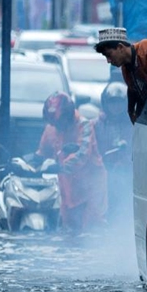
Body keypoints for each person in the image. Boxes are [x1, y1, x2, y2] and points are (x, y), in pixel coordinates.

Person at [35, 92, 107, 233]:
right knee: (67, 232)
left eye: (59, 122)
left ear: (68, 116)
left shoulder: (84, 125)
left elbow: (82, 154)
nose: (57, 126)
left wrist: (60, 166)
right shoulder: (51, 128)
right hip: (67, 188)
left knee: (93, 230)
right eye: (53, 123)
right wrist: (28, 163)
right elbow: (42, 153)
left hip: (91, 188)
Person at [94, 27, 147, 124]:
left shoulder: (146, 49)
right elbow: (135, 91)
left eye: (109, 55)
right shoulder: (126, 70)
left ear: (120, 47)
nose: (108, 61)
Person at [94, 82, 133, 224]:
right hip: (100, 172)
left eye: (119, 103)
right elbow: (91, 147)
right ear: (105, 103)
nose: (115, 107)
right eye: (112, 103)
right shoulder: (97, 124)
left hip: (125, 172)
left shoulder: (131, 124)